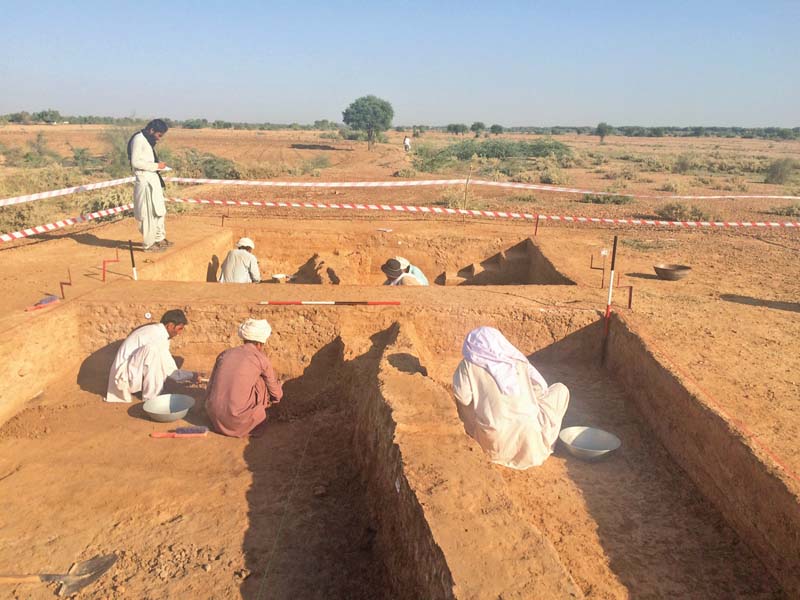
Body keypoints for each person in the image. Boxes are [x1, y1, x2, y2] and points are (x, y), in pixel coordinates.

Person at [451, 326, 569, 469]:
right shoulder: (517, 360)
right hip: (530, 442)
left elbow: (462, 397)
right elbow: (540, 387)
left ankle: (474, 434)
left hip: (493, 442)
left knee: (463, 399)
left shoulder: (467, 365)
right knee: (560, 390)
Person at [205, 318, 283, 437]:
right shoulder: (260, 359)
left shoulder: (224, 354)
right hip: (237, 422)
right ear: (260, 343)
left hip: (214, 418)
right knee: (261, 382)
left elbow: (210, 386)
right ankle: (253, 423)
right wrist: (276, 398)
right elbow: (276, 394)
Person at [106, 309, 199, 403]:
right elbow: (172, 372)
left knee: (156, 357)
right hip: (122, 378)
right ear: (170, 325)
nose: (179, 333)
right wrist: (192, 376)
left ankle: (151, 390)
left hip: (131, 371)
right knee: (152, 351)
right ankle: (151, 399)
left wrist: (190, 376)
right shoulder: (157, 337)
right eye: (179, 329)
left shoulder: (159, 332)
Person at [128, 119, 171, 253]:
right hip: (145, 180)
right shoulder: (139, 139)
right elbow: (135, 162)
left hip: (153, 179)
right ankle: (149, 244)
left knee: (159, 210)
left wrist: (157, 167)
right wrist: (156, 166)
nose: (159, 139)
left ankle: (159, 239)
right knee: (147, 214)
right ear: (152, 130)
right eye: (159, 135)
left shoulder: (147, 140)